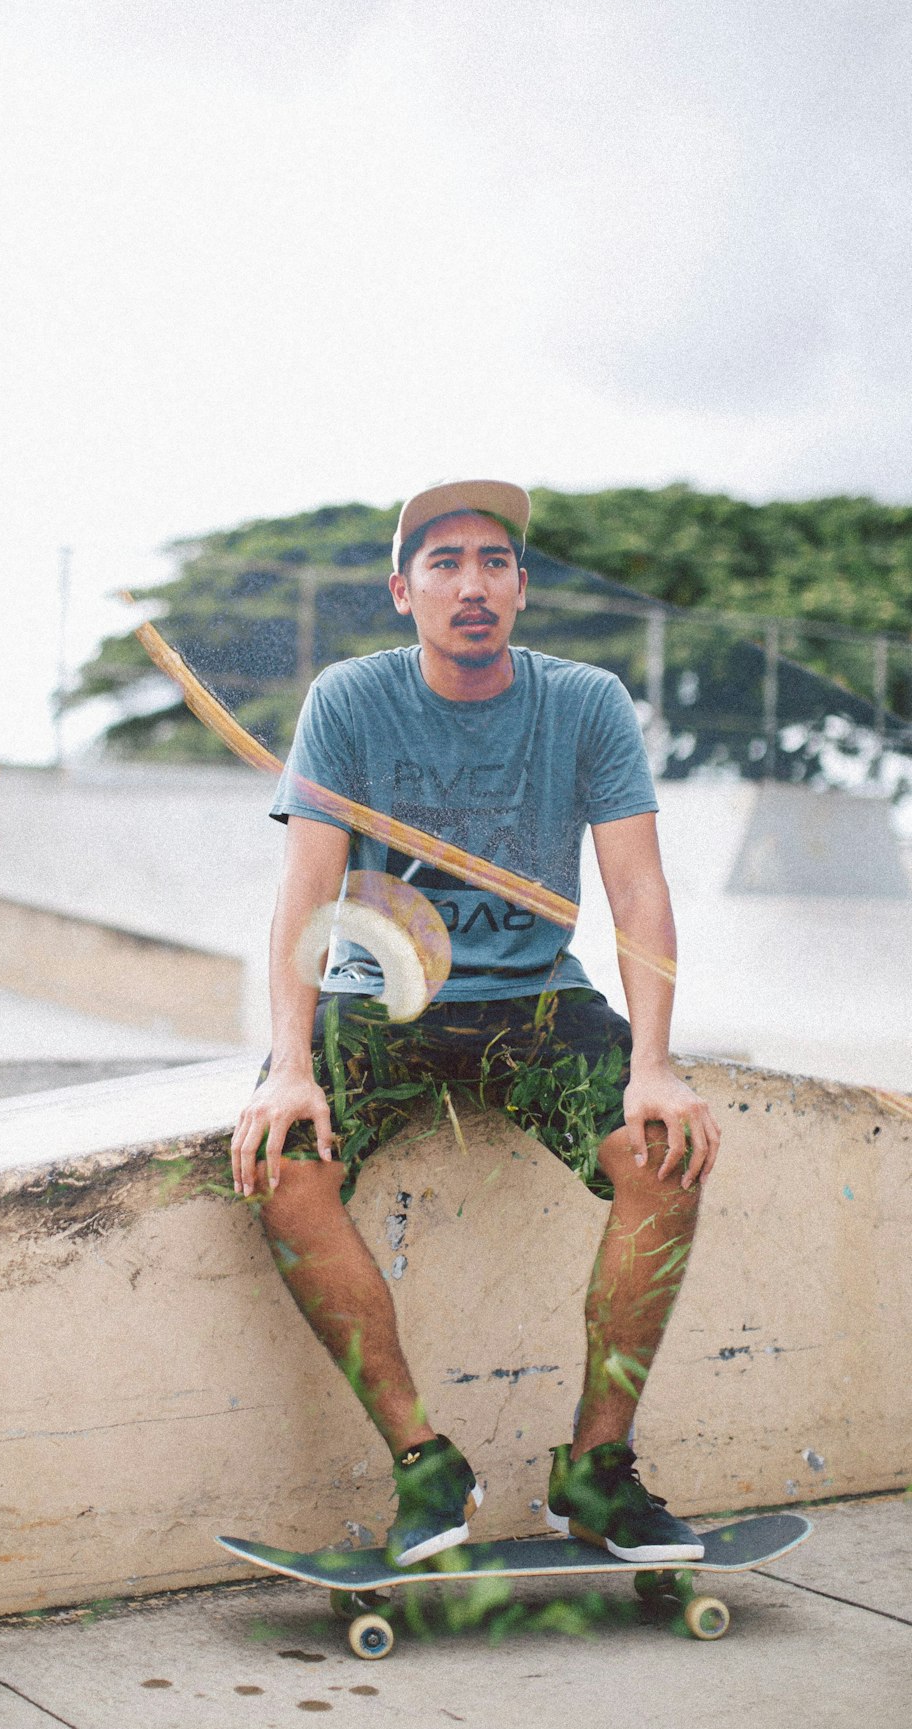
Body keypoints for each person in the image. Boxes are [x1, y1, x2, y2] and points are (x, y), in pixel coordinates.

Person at [231, 478, 721, 1569]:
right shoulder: (350, 699)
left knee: (667, 1156)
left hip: (536, 1002)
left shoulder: (584, 701)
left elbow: (638, 890)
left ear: (522, 589)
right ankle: (422, 1461)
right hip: (377, 998)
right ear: (402, 590)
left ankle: (597, 1471)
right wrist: (289, 1066)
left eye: (494, 561)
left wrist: (653, 1063)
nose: (472, 583)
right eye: (444, 562)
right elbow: (303, 892)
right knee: (282, 1167)